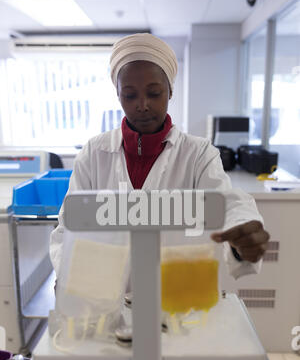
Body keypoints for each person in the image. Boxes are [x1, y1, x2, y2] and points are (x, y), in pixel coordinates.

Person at [50, 33, 269, 281]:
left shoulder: (198, 154)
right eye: (130, 95)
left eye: (154, 93)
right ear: (118, 94)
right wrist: (72, 277)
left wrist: (241, 237)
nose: (142, 105)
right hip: (108, 296)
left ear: (170, 91)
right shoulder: (94, 154)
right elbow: (68, 228)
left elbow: (227, 204)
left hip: (177, 299)